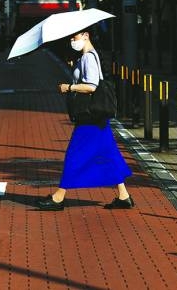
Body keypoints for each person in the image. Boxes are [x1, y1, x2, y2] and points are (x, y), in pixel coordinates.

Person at [37, 29, 134, 211]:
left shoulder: (89, 57)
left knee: (75, 154)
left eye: (75, 37)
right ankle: (124, 196)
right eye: (71, 38)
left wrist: (69, 87)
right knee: (108, 154)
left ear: (86, 35)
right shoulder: (86, 57)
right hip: (97, 118)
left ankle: (58, 197)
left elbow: (91, 86)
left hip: (91, 118)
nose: (72, 41)